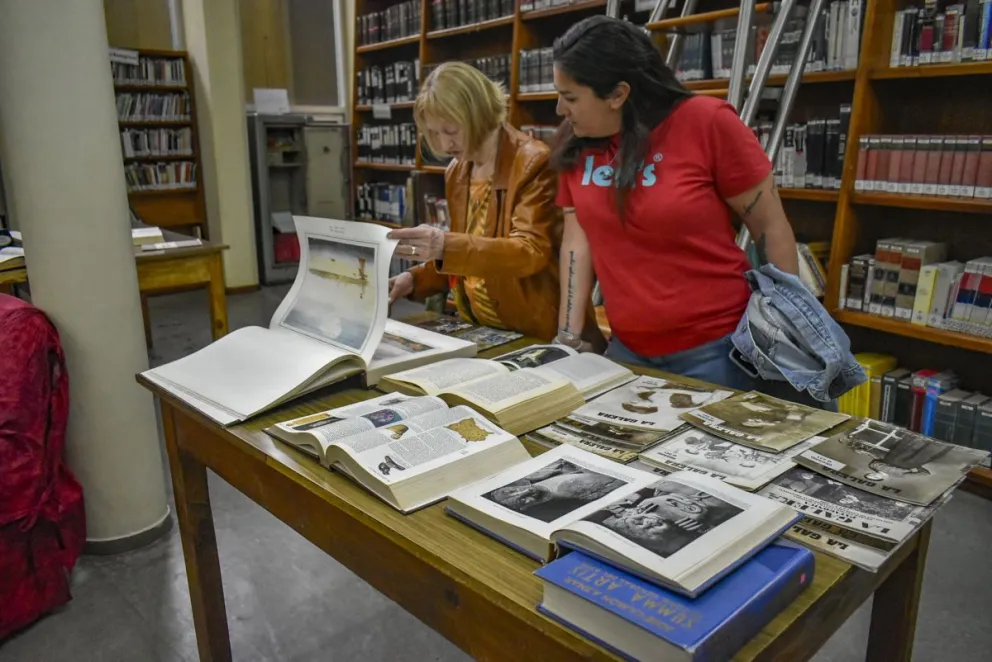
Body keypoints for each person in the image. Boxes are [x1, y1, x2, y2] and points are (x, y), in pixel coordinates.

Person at [549, 16, 803, 395]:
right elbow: (577, 238)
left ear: (618, 94)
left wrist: (789, 327)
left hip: (718, 350)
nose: (559, 110)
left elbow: (770, 227)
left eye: (570, 98)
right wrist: (567, 336)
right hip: (629, 348)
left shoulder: (706, 123)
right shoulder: (577, 141)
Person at [387, 62, 601, 345]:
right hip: (483, 330)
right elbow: (473, 252)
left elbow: (529, 252)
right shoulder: (457, 170)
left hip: (537, 334)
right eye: (433, 133)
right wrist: (415, 279)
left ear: (477, 113)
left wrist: (444, 245)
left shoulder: (533, 161)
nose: (443, 143)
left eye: (450, 130)